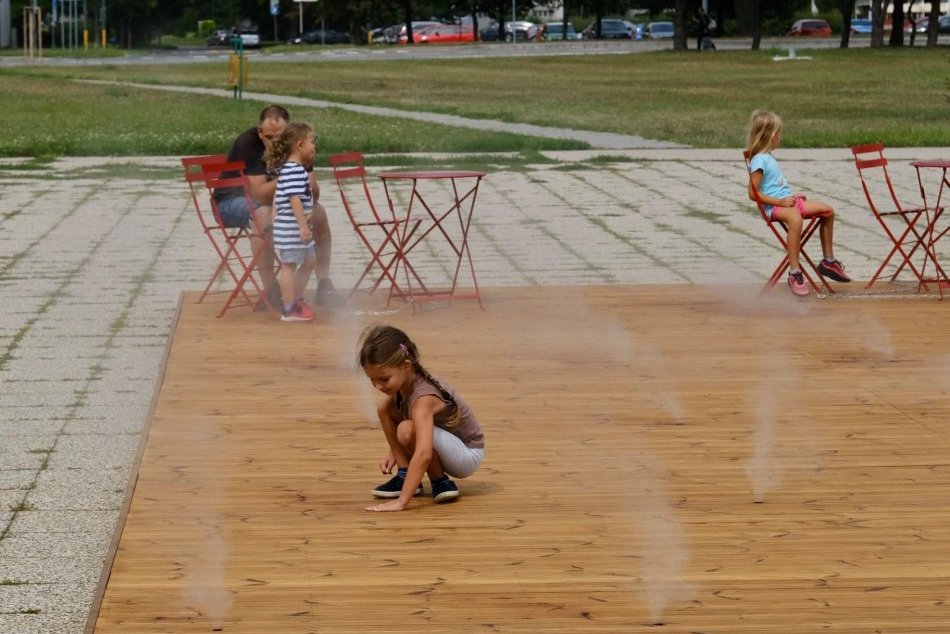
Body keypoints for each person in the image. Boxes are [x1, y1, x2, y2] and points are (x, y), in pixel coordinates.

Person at [215, 104, 344, 309]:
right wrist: (290, 178)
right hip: (230, 201)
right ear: (260, 132)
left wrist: (303, 181)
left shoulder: (298, 144)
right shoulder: (249, 144)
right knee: (263, 214)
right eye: (269, 136)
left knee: (318, 212)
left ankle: (324, 284)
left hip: (275, 200)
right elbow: (258, 194)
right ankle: (271, 289)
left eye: (280, 136)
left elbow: (313, 194)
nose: (275, 141)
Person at [358, 325, 485, 511]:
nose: (378, 386)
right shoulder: (405, 383)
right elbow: (409, 417)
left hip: (467, 454)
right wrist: (395, 452)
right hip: (448, 443)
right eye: (372, 380)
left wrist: (401, 502)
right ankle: (404, 474)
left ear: (406, 366)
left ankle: (440, 481)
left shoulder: (423, 398)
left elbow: (423, 453)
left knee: (406, 429)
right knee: (384, 407)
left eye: (384, 379)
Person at [745, 110, 851, 297]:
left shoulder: (768, 156)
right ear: (772, 136)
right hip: (774, 207)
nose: (780, 137)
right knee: (795, 219)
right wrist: (780, 201)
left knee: (828, 211)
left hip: (787, 202)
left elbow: (774, 186)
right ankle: (794, 272)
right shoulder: (759, 160)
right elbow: (753, 194)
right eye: (779, 133)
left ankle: (828, 261)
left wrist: (791, 196)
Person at [264, 122, 319, 322]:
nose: (314, 146)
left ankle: (296, 297)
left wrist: (274, 216)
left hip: (295, 228)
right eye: (311, 141)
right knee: (289, 265)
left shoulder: (292, 169)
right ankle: (289, 307)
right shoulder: (294, 170)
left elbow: (279, 195)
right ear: (300, 145)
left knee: (310, 260)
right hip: (292, 228)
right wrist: (302, 225)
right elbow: (294, 198)